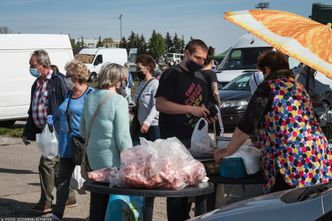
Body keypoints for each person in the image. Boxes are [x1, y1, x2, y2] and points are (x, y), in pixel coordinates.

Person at [214, 50, 332, 193]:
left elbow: (247, 125)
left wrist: (227, 151)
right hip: (316, 152)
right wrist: (264, 141)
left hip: (292, 158)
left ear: (268, 69)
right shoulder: (298, 87)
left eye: (263, 73)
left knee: (286, 204)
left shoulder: (268, 87)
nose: (263, 77)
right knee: (310, 203)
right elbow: (291, 121)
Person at [155, 39, 209, 221]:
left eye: (203, 59)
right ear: (186, 53)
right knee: (176, 191)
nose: (199, 62)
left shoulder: (201, 77)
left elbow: (202, 104)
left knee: (194, 187)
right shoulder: (172, 74)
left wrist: (208, 113)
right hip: (174, 143)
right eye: (197, 57)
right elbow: (160, 104)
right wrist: (190, 109)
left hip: (195, 141)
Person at [22, 50, 75, 214]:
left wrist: (63, 126)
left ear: (43, 66)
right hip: (43, 131)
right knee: (57, 166)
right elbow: (33, 109)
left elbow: (67, 105)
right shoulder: (36, 83)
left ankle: (46, 201)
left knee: (46, 164)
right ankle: (68, 197)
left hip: (56, 131)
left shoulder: (58, 81)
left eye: (33, 65)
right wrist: (26, 130)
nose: (30, 68)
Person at [51, 60, 94, 220]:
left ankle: (95, 213)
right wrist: (55, 122)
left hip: (83, 144)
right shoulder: (69, 94)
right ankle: (57, 213)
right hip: (66, 145)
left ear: (77, 76)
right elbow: (59, 114)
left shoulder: (91, 95)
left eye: (68, 75)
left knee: (92, 182)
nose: (66, 78)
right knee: (62, 180)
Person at [80, 63, 132, 170]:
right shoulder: (119, 101)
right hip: (112, 159)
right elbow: (123, 138)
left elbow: (83, 131)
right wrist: (130, 161)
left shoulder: (89, 98)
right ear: (117, 79)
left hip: (92, 157)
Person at [130, 54, 160, 145]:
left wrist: (147, 122)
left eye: (139, 68)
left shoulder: (155, 84)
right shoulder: (141, 82)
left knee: (155, 153)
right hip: (139, 124)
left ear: (147, 69)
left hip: (152, 126)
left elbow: (156, 105)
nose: (137, 71)